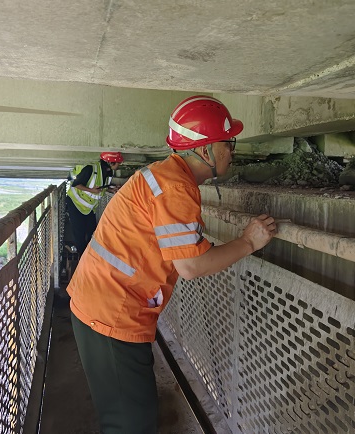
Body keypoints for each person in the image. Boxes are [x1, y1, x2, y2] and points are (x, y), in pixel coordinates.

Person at [67, 95, 277, 434]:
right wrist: (248, 242)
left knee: (129, 414)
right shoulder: (176, 187)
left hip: (100, 302)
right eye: (227, 143)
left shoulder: (165, 176)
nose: (232, 150)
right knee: (132, 424)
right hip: (111, 314)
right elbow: (191, 266)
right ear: (205, 151)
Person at [66, 151, 123, 256]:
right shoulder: (90, 169)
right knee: (79, 232)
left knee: (92, 230)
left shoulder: (108, 172)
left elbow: (101, 187)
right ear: (111, 162)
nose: (119, 165)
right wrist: (90, 190)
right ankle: (82, 257)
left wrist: (112, 189)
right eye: (118, 163)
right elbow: (76, 184)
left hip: (89, 208)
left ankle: (90, 254)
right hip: (75, 203)